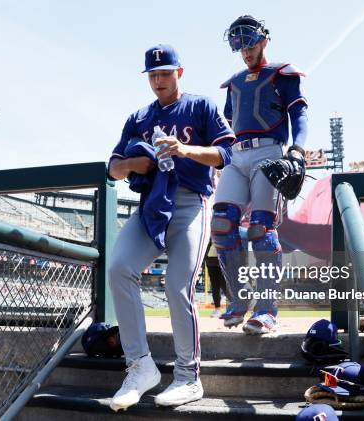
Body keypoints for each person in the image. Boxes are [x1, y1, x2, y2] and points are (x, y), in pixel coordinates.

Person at [107, 44, 235, 411]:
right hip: (151, 205)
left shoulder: (201, 106)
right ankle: (140, 367)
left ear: (180, 72)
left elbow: (226, 153)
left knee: (176, 284)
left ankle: (188, 376)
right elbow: (112, 167)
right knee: (119, 268)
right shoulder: (139, 117)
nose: (159, 80)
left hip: (190, 202)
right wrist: (135, 163)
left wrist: (185, 149)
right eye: (153, 75)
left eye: (166, 73)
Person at [212, 15, 308, 334]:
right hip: (237, 155)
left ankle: (266, 311)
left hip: (270, 152)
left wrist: (297, 150)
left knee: (260, 230)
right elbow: (228, 123)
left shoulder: (282, 73)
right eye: (238, 42)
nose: (245, 49)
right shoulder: (234, 82)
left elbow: (299, 113)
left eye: (250, 40)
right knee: (222, 224)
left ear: (265, 39)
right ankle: (239, 302)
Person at [204, 240, 229, 317]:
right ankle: (217, 309)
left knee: (224, 284)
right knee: (215, 286)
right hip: (211, 260)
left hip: (223, 259)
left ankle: (231, 308)